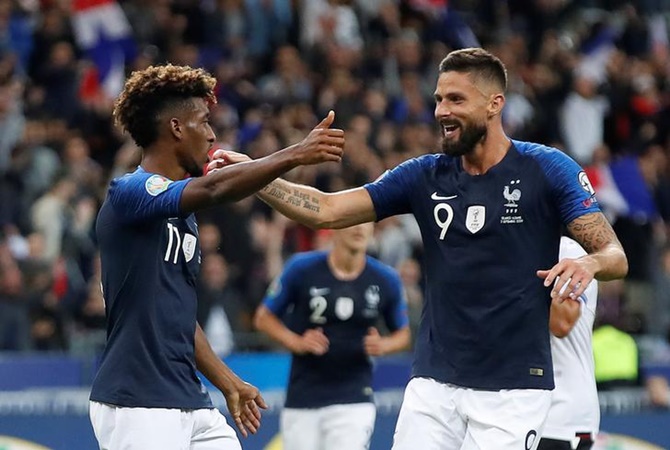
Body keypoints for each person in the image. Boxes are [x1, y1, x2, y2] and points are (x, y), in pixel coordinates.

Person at [212, 47, 628, 450]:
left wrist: (589, 264)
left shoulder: (547, 169)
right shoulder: (424, 175)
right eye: (439, 99)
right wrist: (256, 173)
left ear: (494, 103)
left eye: (456, 99)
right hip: (434, 383)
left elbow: (615, 255)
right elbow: (326, 210)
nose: (442, 111)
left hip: (513, 388)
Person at [88, 64, 345, 450]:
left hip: (189, 399)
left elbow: (178, 315)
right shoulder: (130, 192)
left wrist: (228, 382)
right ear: (176, 128)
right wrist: (295, 154)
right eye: (204, 123)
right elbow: (212, 190)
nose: (212, 135)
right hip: (137, 399)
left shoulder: (182, 217)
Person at [253, 222, 411, 450]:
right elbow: (263, 318)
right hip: (303, 397)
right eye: (352, 221)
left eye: (366, 222)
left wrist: (383, 345)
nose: (359, 229)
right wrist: (296, 342)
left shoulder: (385, 279)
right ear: (335, 226)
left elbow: (403, 334)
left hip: (355, 397)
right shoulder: (302, 268)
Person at [538, 236, 599, 450]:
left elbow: (561, 324)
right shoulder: (508, 252)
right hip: (520, 407)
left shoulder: (569, 252)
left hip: (562, 415)